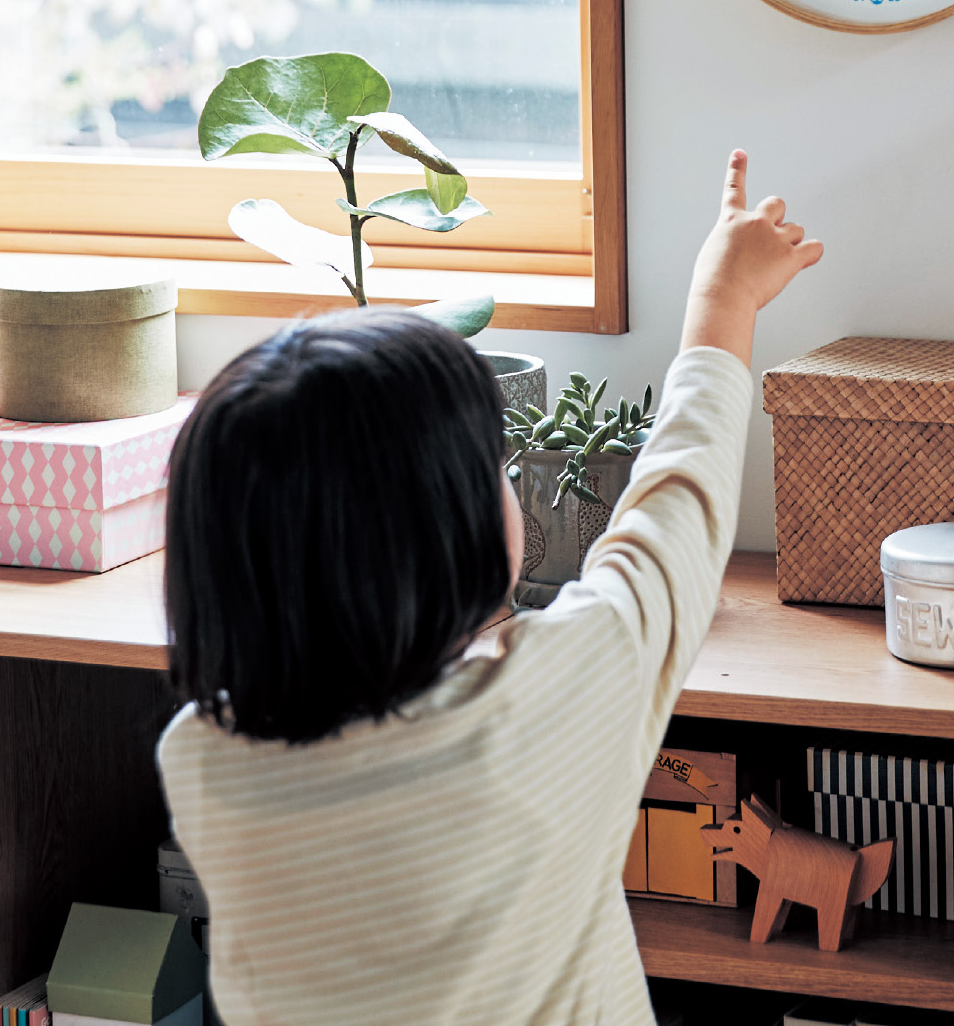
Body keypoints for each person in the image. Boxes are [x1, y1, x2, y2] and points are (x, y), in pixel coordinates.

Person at [157, 149, 823, 1025]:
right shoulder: (553, 698)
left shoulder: (202, 759)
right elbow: (677, 514)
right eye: (497, 467)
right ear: (450, 534)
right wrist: (724, 300)